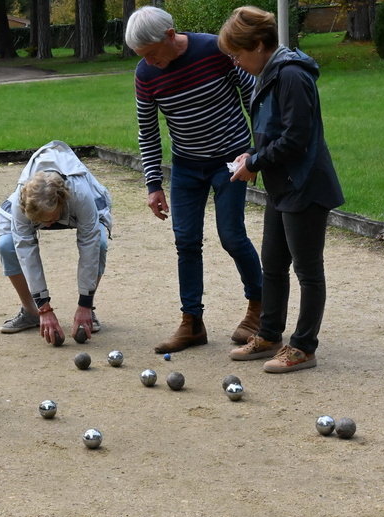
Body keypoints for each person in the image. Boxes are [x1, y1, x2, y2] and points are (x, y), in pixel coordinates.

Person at [124, 6, 263, 354]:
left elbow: (254, 97)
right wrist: (153, 183)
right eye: (143, 57)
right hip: (186, 166)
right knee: (186, 241)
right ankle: (192, 322)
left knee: (232, 235)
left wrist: (260, 153)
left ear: (170, 35)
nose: (150, 62)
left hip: (231, 160)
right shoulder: (145, 74)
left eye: (153, 53)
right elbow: (148, 131)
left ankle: (260, 310)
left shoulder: (215, 50)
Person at [219, 6, 345, 373]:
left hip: (305, 185)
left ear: (259, 45)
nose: (237, 63)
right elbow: (274, 132)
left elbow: (296, 139)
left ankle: (304, 347)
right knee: (272, 266)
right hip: (282, 186)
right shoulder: (267, 72)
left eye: (238, 54)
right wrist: (253, 155)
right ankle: (270, 334)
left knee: (308, 271)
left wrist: (255, 163)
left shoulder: (291, 75)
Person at [0, 140, 113, 346]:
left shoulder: (79, 194)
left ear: (62, 201)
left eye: (50, 218)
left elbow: (90, 243)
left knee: (100, 243)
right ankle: (31, 311)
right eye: (41, 221)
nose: (48, 225)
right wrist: (44, 308)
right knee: (6, 245)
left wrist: (84, 302)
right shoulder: (21, 202)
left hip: (77, 207)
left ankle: (88, 310)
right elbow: (25, 249)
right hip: (40, 208)